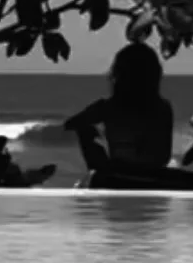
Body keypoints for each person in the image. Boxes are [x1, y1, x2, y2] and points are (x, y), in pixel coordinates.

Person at [65, 42, 176, 187]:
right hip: (155, 176)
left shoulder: (108, 107)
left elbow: (69, 125)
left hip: (118, 174)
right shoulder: (163, 108)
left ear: (119, 75)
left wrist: (94, 133)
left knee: (85, 129)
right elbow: (163, 157)